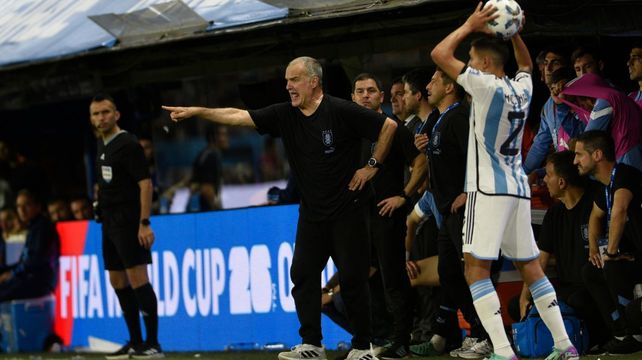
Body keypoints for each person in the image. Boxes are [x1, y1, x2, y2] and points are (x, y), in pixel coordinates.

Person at [163, 56, 398, 360]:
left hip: (347, 212)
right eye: (287, 80)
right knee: (302, 274)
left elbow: (388, 126)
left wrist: (371, 166)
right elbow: (238, 116)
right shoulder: (285, 115)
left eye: (294, 79)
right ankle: (312, 345)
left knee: (353, 280)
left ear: (314, 82)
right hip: (312, 215)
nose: (288, 86)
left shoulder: (340, 110)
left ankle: (362, 347)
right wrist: (199, 111)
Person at [430, 4, 579, 360]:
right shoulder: (521, 87)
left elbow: (438, 54)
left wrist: (469, 25)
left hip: (488, 191)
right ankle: (564, 345)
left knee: (475, 269)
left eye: (472, 57)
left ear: (483, 64)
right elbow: (526, 65)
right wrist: (514, 33)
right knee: (530, 266)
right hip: (518, 188)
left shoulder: (483, 86)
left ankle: (501, 349)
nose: (468, 60)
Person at [352, 72, 427, 359]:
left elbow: (420, 163)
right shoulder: (349, 131)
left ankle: (401, 341)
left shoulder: (394, 128)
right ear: (353, 97)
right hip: (358, 216)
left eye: (371, 90)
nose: (366, 95)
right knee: (364, 276)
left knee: (393, 278)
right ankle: (379, 336)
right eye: (360, 91)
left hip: (386, 213)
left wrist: (404, 196)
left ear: (381, 97)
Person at [90, 94, 163, 358]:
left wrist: (144, 223)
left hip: (129, 220)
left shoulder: (129, 144)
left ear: (116, 114)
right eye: (96, 114)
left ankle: (153, 344)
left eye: (105, 112)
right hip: (108, 222)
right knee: (117, 279)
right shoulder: (102, 145)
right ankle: (135, 341)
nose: (101, 118)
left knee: (137, 278)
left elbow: (145, 184)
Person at [517, 151, 611, 348]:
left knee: (579, 300)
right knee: (519, 305)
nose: (544, 179)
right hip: (566, 287)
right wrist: (525, 296)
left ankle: (601, 337)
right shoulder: (554, 213)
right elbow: (540, 261)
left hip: (593, 287)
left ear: (562, 182)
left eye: (548, 175)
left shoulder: (595, 202)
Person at [561, 72, 642, 172]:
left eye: (582, 104)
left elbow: (586, 141)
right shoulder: (615, 96)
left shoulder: (605, 100)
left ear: (589, 99)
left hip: (628, 158)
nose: (583, 108)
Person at [523, 67, 585, 177]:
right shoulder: (549, 106)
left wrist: (561, 107)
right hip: (564, 172)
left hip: (583, 171)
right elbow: (540, 145)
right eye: (554, 89)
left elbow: (581, 138)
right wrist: (523, 173)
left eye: (563, 88)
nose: (558, 92)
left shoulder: (585, 103)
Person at [0, 189, 59, 301]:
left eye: (26, 205)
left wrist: (11, 273)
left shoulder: (42, 227)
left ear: (38, 206)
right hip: (27, 277)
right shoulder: (33, 227)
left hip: (37, 281)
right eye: (18, 206)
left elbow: (34, 261)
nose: (22, 210)